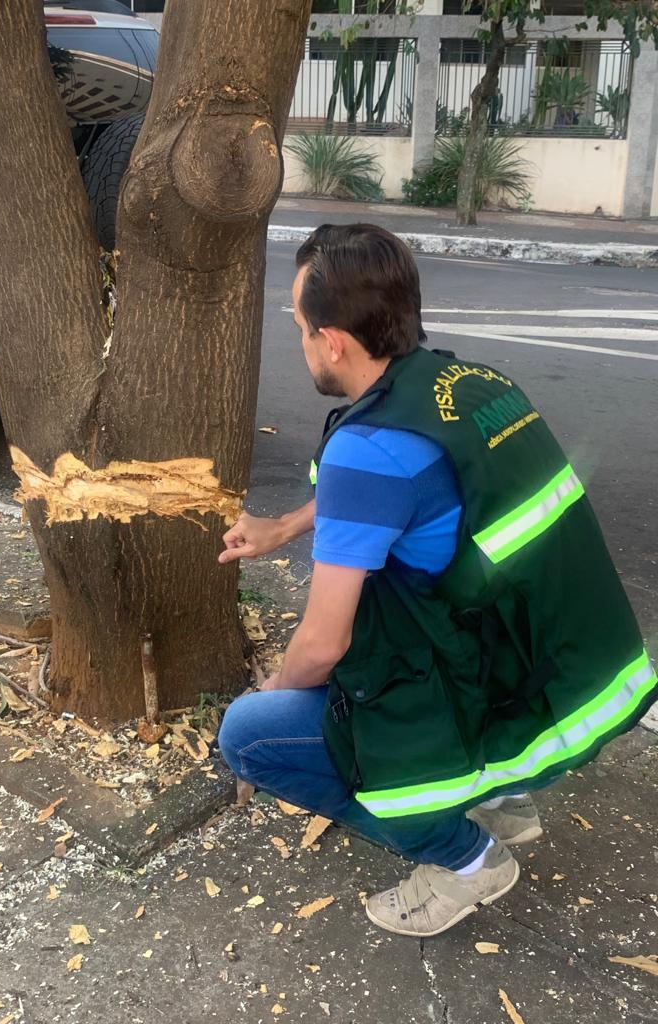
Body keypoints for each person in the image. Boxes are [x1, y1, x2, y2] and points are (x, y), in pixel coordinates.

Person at [217, 223, 656, 938]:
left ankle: (464, 857)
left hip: (474, 679)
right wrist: (287, 526)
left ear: (332, 341)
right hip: (553, 667)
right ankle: (501, 799)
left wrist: (272, 686)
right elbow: (395, 489)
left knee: (253, 734)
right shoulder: (467, 385)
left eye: (300, 326)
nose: (301, 341)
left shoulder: (364, 448)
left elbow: (323, 644)